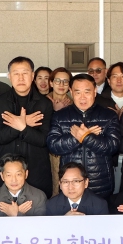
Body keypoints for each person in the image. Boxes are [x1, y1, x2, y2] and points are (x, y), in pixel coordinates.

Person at [47, 73, 121, 199]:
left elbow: (113, 146)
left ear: (95, 91)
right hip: (70, 184)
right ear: (71, 92)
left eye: (87, 92)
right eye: (77, 92)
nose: (82, 97)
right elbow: (53, 145)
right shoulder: (60, 116)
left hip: (100, 183)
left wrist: (86, 137)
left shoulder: (109, 115)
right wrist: (77, 138)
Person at [0, 56, 54, 198]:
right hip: (7, 170)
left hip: (36, 169)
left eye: (25, 73)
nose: (20, 78)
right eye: (16, 73)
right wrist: (22, 124)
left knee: (37, 207)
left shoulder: (44, 104)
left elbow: (44, 140)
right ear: (9, 76)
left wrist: (22, 127)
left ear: (32, 76)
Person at [47, 68, 74, 196]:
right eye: (58, 80)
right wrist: (54, 111)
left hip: (68, 151)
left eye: (65, 81)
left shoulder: (75, 103)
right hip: (45, 152)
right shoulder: (41, 101)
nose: (61, 84)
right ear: (51, 83)